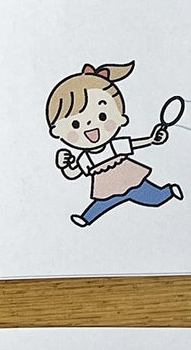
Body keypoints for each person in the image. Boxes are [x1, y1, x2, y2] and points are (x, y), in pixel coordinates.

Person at [46, 62, 182, 227]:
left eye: (102, 116)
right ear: (58, 131)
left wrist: (151, 139)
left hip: (129, 178)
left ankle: (168, 192)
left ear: (120, 117)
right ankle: (86, 218)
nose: (90, 125)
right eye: (75, 124)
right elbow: (73, 173)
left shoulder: (114, 146)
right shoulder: (86, 158)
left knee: (152, 197)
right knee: (103, 203)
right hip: (107, 187)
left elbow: (132, 144)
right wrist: (64, 165)